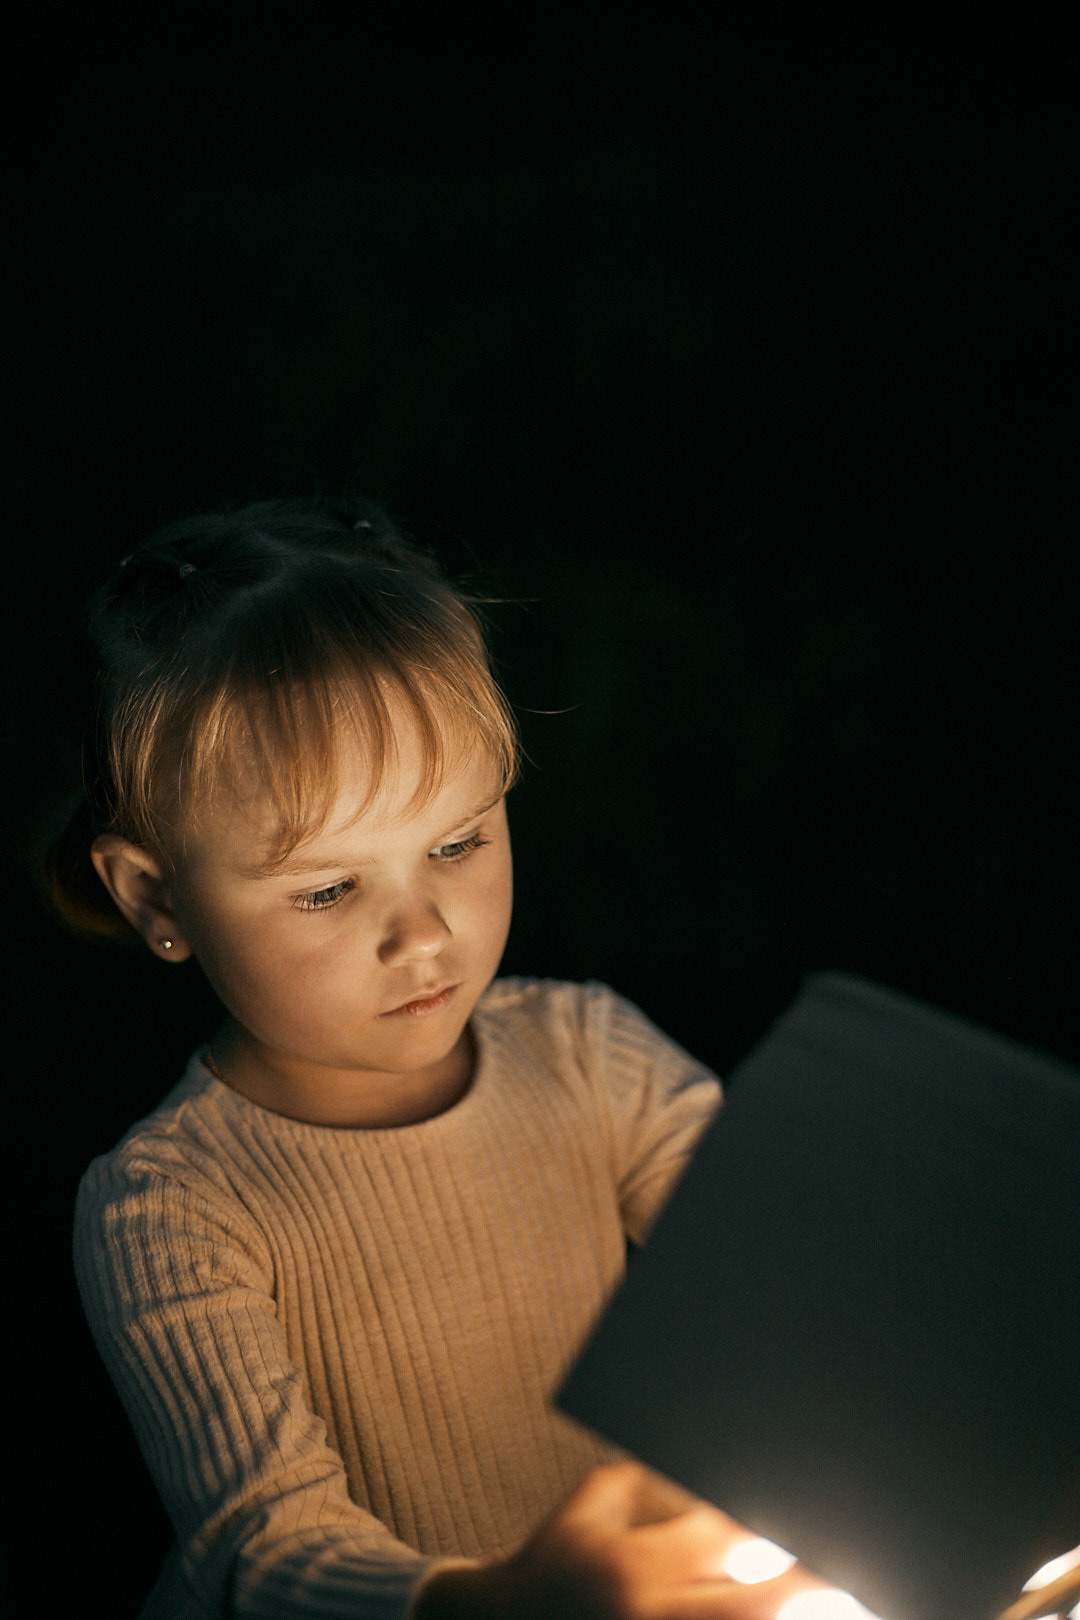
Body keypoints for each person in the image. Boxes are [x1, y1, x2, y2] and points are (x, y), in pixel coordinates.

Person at [51, 496, 827, 1619]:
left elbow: (788, 1279)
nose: (424, 935)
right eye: (326, 888)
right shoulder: (170, 1212)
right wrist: (507, 1601)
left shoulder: (589, 1056)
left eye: (457, 843)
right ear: (155, 896)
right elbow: (265, 1554)